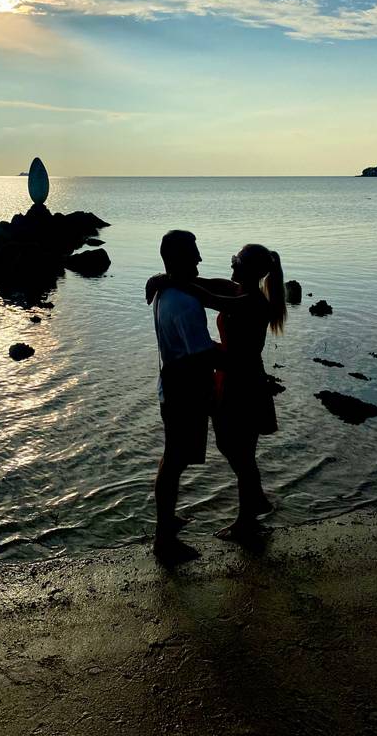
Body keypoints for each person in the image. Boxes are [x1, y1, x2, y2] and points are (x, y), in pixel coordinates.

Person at [147, 243, 286, 542]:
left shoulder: (252, 302)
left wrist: (169, 280)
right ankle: (256, 500)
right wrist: (163, 276)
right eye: (233, 259)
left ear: (252, 270)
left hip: (245, 381)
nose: (232, 264)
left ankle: (246, 521)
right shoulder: (235, 288)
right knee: (230, 446)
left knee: (241, 453)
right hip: (228, 377)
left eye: (237, 261)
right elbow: (201, 283)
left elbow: (206, 297)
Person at [150, 230, 219, 563]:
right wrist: (240, 355)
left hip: (171, 385)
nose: (200, 259)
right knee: (175, 462)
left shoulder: (167, 292)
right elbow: (203, 355)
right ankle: (164, 540)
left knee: (171, 460)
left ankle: (167, 520)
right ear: (178, 258)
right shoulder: (185, 304)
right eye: (194, 252)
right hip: (185, 390)